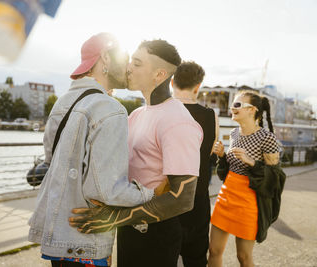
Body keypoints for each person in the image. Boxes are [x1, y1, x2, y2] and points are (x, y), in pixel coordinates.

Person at [69, 40, 203, 267]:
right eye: (130, 60)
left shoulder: (178, 121)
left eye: (137, 63)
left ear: (159, 74)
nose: (128, 67)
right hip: (128, 228)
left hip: (156, 235)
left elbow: (183, 199)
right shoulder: (137, 114)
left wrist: (114, 218)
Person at [27, 33, 154, 267]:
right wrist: (151, 194)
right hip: (86, 240)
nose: (128, 67)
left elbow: (52, 162)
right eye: (125, 58)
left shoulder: (63, 102)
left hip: (60, 235)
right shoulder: (110, 109)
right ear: (105, 57)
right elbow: (108, 191)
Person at [208, 90, 286, 267]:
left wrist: (252, 162)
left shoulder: (267, 138)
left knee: (243, 257)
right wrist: (222, 156)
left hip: (248, 203)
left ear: (252, 110)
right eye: (232, 105)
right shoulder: (235, 133)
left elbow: (275, 178)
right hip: (226, 197)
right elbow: (228, 171)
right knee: (213, 251)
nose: (232, 108)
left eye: (237, 105)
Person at [172, 60, 218, 267]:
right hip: (196, 199)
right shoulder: (210, 116)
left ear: (172, 82)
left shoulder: (160, 112)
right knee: (196, 259)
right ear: (198, 87)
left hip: (166, 200)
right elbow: (208, 155)